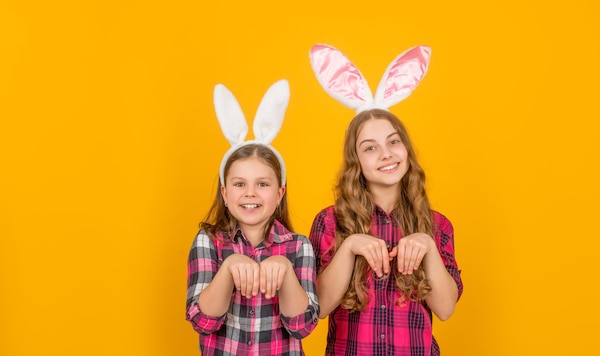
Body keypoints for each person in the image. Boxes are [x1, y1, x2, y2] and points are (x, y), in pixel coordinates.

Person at [308, 44, 463, 355]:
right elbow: (319, 308)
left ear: (406, 150)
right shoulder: (329, 222)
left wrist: (428, 247)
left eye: (393, 141)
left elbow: (445, 309)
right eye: (370, 147)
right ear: (356, 161)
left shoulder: (437, 225)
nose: (386, 154)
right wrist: (350, 246)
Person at [185, 79, 319, 355]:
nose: (250, 193)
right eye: (239, 184)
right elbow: (203, 321)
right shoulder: (208, 241)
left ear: (280, 192)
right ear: (224, 192)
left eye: (262, 184)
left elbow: (301, 326)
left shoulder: (298, 246)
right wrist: (229, 267)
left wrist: (285, 269)